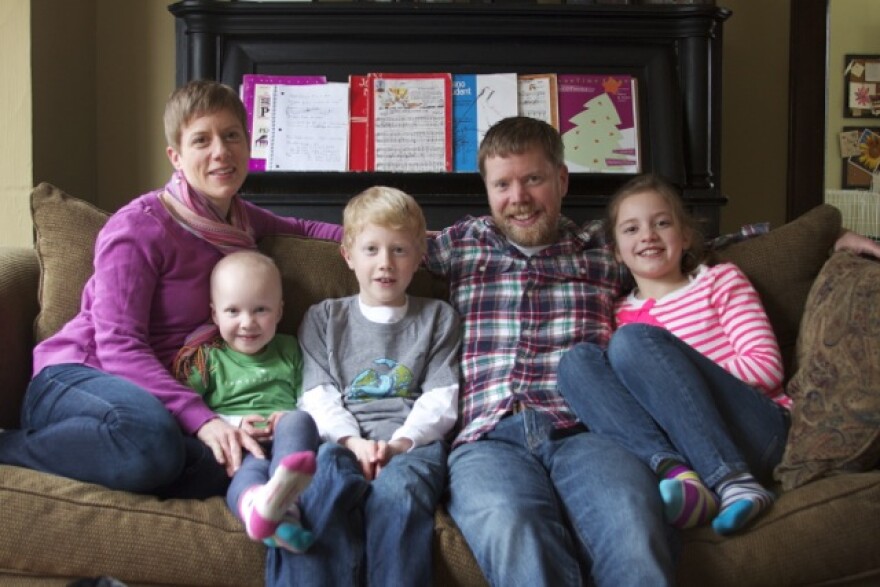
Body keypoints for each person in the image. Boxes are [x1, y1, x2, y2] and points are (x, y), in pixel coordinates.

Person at [422, 116, 880, 586]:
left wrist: (826, 238)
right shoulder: (464, 243)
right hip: (488, 437)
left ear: (561, 180)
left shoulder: (604, 248)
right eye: (502, 184)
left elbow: (692, 244)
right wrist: (342, 238)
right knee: (512, 527)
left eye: (533, 179)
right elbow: (374, 238)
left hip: (591, 431)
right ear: (487, 190)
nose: (517, 197)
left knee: (631, 525)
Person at [0, 79, 342, 499]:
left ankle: (139, 457)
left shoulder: (240, 220)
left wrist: (394, 240)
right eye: (202, 140)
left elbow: (308, 230)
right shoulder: (138, 228)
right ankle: (9, 447)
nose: (221, 151)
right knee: (153, 438)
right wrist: (203, 419)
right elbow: (118, 344)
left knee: (232, 461)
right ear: (176, 157)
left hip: (148, 400)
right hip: (79, 376)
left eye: (231, 135)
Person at [557, 174, 790, 536]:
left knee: (634, 343)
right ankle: (677, 476)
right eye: (631, 229)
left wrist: (677, 372)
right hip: (685, 447)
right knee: (576, 363)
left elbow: (766, 367)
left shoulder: (718, 281)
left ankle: (736, 481)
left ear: (685, 236)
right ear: (617, 250)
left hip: (759, 433)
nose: (647, 235)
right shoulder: (617, 312)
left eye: (661, 223)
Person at [297, 186, 461, 587]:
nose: (385, 263)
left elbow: (442, 399)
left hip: (412, 446)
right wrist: (353, 443)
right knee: (326, 482)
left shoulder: (438, 318)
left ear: (420, 257)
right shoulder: (323, 318)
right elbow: (316, 396)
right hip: (340, 442)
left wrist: (400, 444)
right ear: (348, 256)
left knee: (399, 495)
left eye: (399, 250)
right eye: (371, 249)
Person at [173, 250, 319, 553]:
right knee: (245, 472)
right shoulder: (208, 359)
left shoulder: (290, 348)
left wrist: (288, 414)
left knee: (300, 420)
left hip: (285, 438)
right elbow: (189, 411)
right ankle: (256, 506)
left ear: (279, 312)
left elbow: (309, 396)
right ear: (214, 314)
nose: (247, 323)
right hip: (238, 444)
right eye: (233, 311)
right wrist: (234, 425)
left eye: (260, 310)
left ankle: (285, 500)